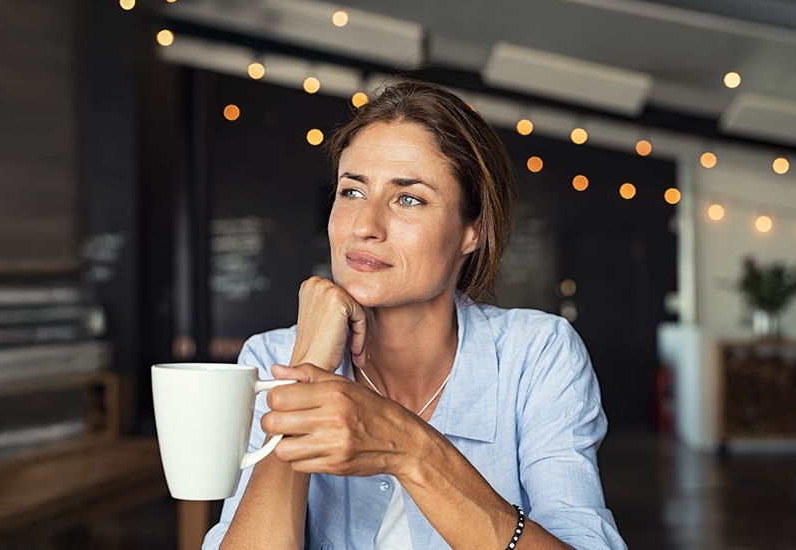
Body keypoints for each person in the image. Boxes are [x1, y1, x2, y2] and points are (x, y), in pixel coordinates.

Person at [203, 81, 626, 550]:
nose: (364, 226)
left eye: (409, 199)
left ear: (473, 230)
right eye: (351, 192)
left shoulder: (538, 355)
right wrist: (308, 372)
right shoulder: (272, 357)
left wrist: (412, 450)